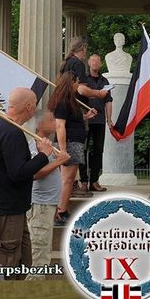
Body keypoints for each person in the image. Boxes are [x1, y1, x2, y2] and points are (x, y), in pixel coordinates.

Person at [0, 87, 54, 280]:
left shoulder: (3, 126)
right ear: (29, 107)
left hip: (12, 206)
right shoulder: (11, 131)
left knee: (23, 259)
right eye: (35, 105)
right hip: (6, 208)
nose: (36, 110)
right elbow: (18, 173)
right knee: (6, 259)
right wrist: (43, 155)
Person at [61, 36, 110, 197]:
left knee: (76, 150)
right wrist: (98, 93)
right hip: (75, 112)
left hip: (72, 113)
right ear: (84, 49)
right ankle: (77, 184)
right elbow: (81, 90)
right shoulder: (78, 64)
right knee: (77, 149)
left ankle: (77, 184)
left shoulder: (66, 63)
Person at [25, 109, 70, 279]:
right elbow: (35, 174)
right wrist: (58, 161)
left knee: (44, 249)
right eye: (51, 120)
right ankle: (33, 289)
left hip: (48, 205)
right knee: (40, 250)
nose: (55, 123)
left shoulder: (49, 146)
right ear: (39, 124)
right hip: (40, 205)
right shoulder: (35, 145)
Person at [48, 72, 97, 226]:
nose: (78, 85)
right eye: (77, 82)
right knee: (67, 180)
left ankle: (63, 209)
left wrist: (86, 117)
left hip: (73, 143)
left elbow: (72, 121)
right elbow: (60, 126)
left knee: (69, 180)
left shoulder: (70, 101)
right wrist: (63, 150)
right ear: (71, 83)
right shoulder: (63, 101)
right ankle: (60, 212)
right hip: (69, 144)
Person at [78, 54, 112, 192]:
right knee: (83, 150)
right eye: (92, 61)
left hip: (99, 121)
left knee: (98, 150)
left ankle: (94, 181)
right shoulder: (83, 80)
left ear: (100, 63)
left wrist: (109, 119)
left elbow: (108, 101)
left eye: (97, 61)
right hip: (85, 120)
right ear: (89, 62)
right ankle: (84, 181)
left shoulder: (105, 81)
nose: (95, 63)